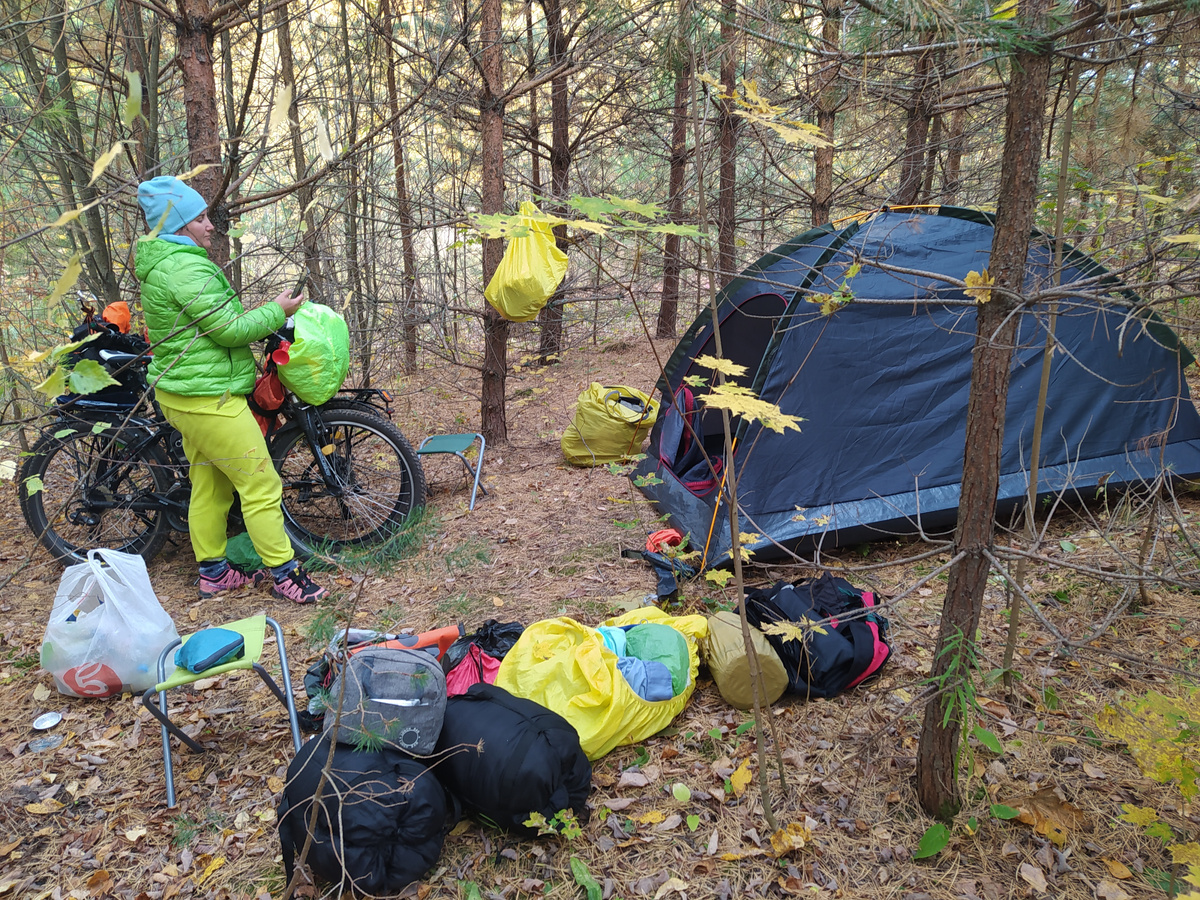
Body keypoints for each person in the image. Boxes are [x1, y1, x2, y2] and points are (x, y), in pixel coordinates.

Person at [134, 175, 328, 604]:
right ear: (179, 225)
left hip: (188, 394)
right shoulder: (182, 267)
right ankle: (286, 574)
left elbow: (211, 326)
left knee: (212, 486)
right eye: (201, 218)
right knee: (260, 484)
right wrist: (277, 310)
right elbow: (230, 330)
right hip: (209, 400)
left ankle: (214, 574)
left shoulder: (170, 261)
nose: (210, 225)